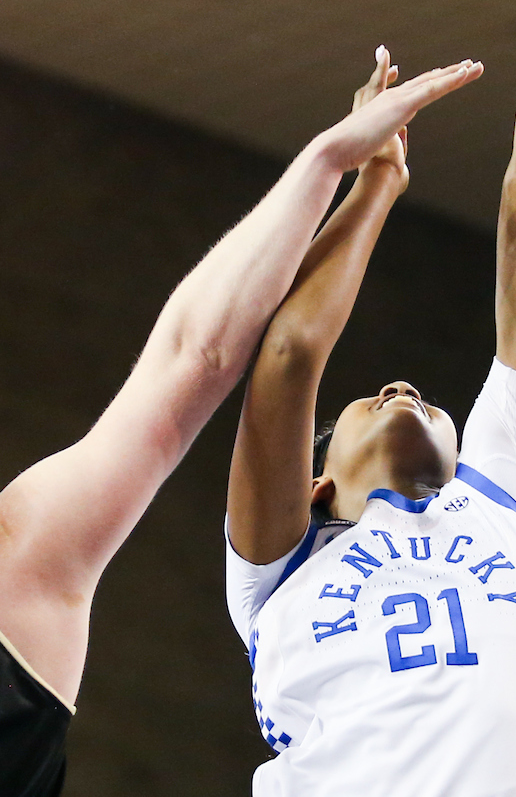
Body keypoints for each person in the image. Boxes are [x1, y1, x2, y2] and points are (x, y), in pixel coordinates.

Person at [224, 0, 516, 797]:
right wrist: (371, 190)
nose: (401, 388)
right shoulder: (283, 569)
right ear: (316, 491)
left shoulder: (514, 494)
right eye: (376, 401)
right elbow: (286, 356)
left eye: (400, 396)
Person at [0, 56, 483, 797]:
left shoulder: (18, 566)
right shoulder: (282, 567)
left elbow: (194, 361)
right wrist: (359, 175)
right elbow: (266, 357)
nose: (400, 392)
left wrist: (331, 162)